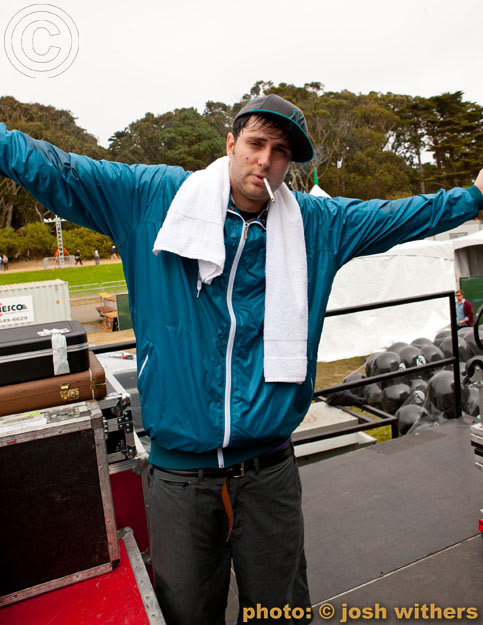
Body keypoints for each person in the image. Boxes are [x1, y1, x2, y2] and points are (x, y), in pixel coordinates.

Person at [0, 96, 482, 625]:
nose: (265, 161)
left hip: (269, 472)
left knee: (279, 614)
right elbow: (58, 169)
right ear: (231, 144)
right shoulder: (152, 199)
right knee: (187, 615)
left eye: (280, 152)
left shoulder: (315, 224)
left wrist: (474, 196)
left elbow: (398, 216)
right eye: (256, 143)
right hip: (180, 477)